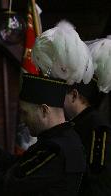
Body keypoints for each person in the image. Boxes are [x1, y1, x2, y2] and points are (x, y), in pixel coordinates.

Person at [0, 73, 86, 196]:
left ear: (44, 110)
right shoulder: (64, 139)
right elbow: (18, 165)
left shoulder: (56, 149)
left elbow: (4, 188)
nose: (22, 121)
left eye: (25, 113)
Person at [63, 38, 111, 195]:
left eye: (62, 94)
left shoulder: (97, 127)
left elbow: (98, 180)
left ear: (74, 95)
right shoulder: (77, 123)